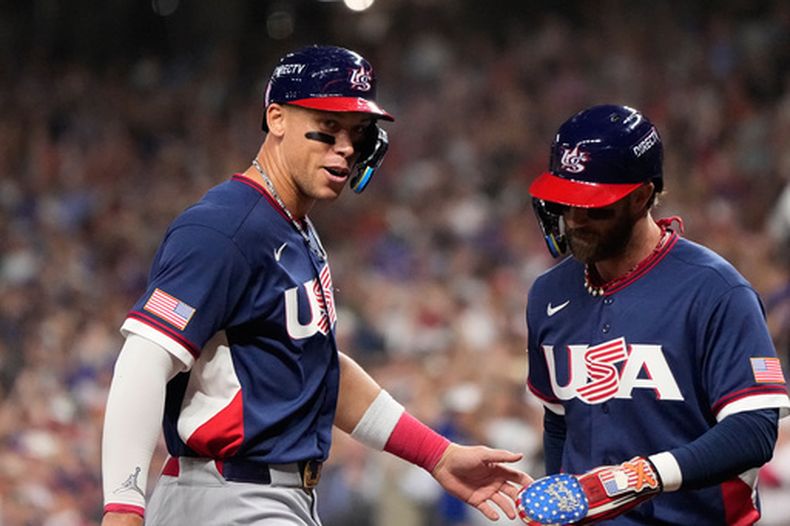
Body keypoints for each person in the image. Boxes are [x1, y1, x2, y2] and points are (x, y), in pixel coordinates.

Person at [100, 45, 531, 526]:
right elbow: (143, 357)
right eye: (328, 129)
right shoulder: (225, 227)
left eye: (357, 134)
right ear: (277, 118)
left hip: (270, 497)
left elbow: (319, 372)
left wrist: (435, 454)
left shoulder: (291, 227)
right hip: (229, 497)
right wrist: (123, 506)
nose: (345, 148)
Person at [517, 104, 790, 525]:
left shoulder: (716, 290)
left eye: (593, 207)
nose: (574, 221)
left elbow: (753, 429)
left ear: (642, 196)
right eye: (565, 203)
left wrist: (643, 475)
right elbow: (559, 423)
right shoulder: (547, 293)